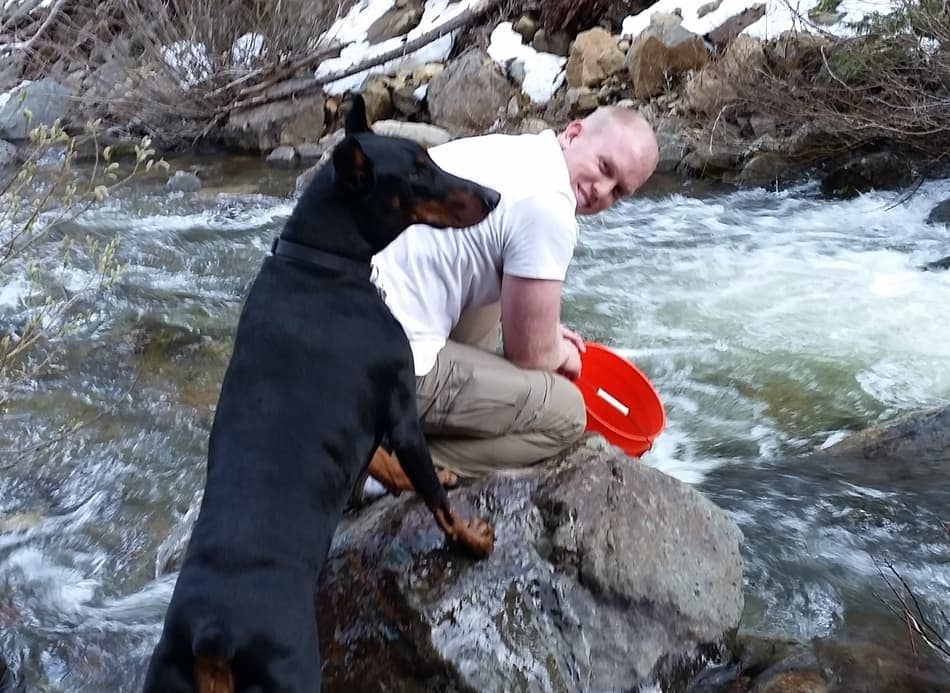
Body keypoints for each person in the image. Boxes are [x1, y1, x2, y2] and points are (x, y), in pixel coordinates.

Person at [367, 106, 659, 490]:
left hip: (341, 321)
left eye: (619, 191)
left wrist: (547, 334)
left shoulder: (516, 152)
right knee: (567, 414)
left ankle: (402, 431)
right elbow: (531, 354)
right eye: (605, 167)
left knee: (496, 292)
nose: (602, 192)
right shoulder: (550, 206)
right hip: (373, 368)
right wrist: (561, 352)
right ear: (573, 134)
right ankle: (390, 468)